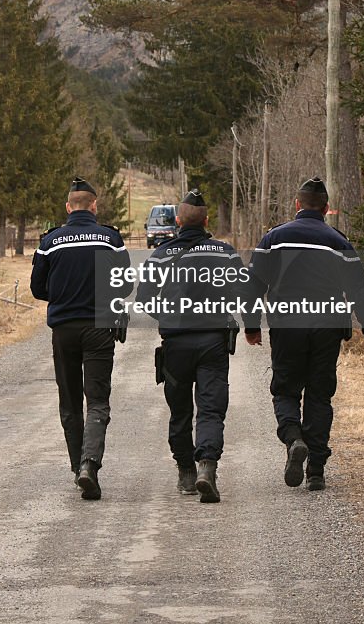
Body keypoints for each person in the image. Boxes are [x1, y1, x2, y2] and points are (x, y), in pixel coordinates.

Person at [245, 177, 364, 491]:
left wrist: (252, 326)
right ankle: (316, 470)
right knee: (320, 395)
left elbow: (253, 287)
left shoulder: (274, 239)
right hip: (327, 327)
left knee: (285, 389)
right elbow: (359, 292)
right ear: (327, 208)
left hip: (287, 325)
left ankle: (294, 440)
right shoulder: (339, 242)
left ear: (297, 205)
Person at [136, 188, 252, 503]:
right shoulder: (225, 253)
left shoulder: (161, 254)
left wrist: (170, 316)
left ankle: (186, 472)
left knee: (180, 411)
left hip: (174, 345)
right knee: (211, 409)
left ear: (176, 220)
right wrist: (250, 324)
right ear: (207, 220)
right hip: (213, 342)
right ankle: (207, 468)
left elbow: (144, 299)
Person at [30, 176, 130, 501]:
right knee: (98, 400)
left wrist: (62, 297)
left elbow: (37, 288)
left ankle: (78, 470)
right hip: (100, 327)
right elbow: (125, 284)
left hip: (63, 331)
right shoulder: (110, 239)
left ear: (68, 207)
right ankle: (90, 465)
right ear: (95, 206)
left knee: (70, 402)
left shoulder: (50, 242)